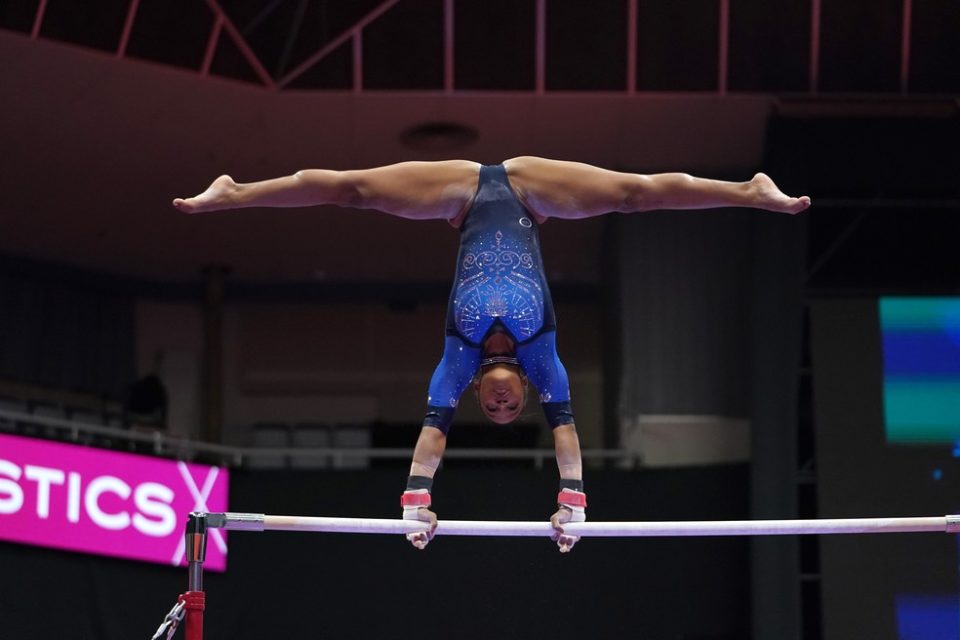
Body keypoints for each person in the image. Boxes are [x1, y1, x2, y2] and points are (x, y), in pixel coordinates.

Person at [173, 156, 811, 553]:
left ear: (479, 392)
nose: (504, 404)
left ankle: (233, 192)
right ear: (527, 391)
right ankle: (750, 191)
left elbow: (430, 440)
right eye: (512, 409)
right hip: (532, 193)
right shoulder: (545, 359)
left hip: (460, 196)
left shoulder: (454, 360)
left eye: (494, 408)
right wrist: (573, 501)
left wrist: (415, 505)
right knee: (630, 195)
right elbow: (566, 438)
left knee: (357, 191)